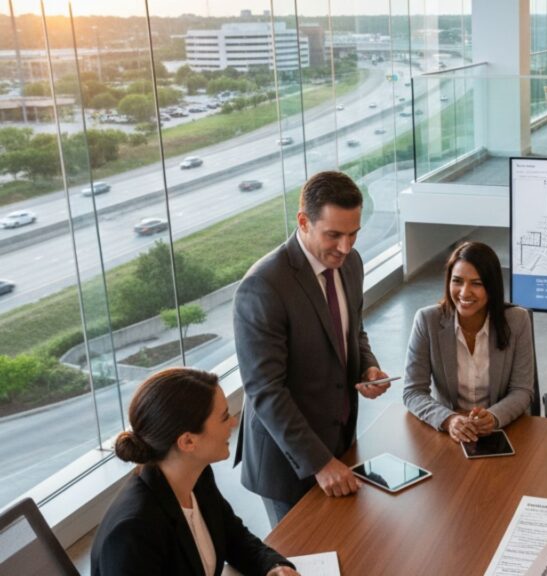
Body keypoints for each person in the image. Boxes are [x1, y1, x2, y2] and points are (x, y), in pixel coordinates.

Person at [233, 170, 390, 527]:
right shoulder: (263, 286)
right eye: (333, 235)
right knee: (304, 558)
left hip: (339, 439)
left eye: (353, 234)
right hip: (288, 461)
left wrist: (368, 367)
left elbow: (355, 331)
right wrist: (319, 462)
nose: (346, 247)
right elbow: (265, 390)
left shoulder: (352, 263)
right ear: (303, 221)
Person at [91, 368, 298, 576]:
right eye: (224, 417)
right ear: (188, 441)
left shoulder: (197, 476)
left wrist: (273, 566)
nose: (234, 422)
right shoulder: (132, 533)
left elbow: (234, 538)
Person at [403, 241, 535, 441]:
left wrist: (493, 416)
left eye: (477, 283)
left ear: (491, 287)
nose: (464, 292)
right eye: (457, 281)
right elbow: (413, 392)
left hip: (503, 430)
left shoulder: (517, 320)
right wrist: (449, 419)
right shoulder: (427, 320)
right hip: (452, 433)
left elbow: (522, 390)